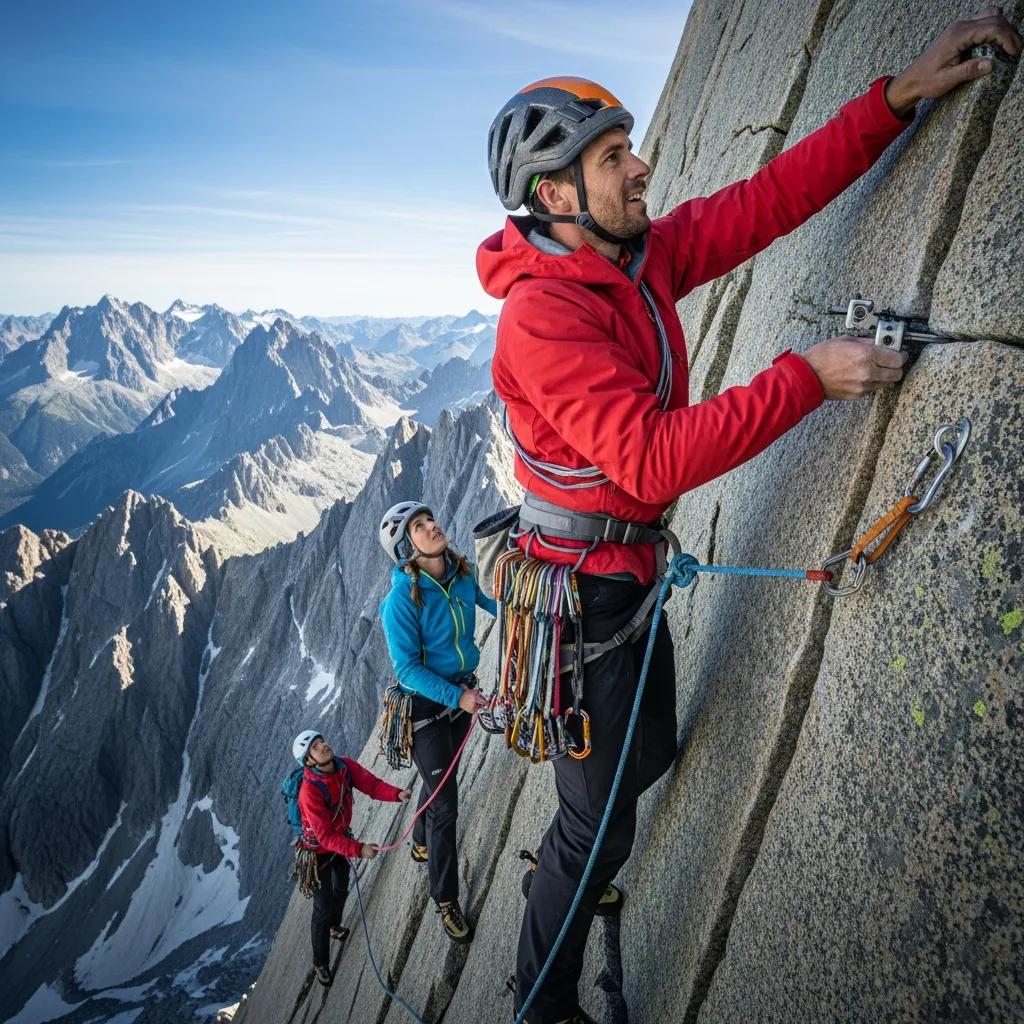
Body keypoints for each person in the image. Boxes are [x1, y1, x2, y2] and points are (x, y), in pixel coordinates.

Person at [477, 9, 1022, 1023]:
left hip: (622, 577)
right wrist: (806, 375)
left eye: (628, 146)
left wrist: (896, 96)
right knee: (590, 829)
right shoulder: (544, 315)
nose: (640, 167)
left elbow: (762, 203)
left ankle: (576, 881)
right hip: (586, 603)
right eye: (611, 159)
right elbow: (644, 460)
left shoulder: (626, 264)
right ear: (555, 196)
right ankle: (538, 1002)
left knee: (643, 759)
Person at [378, 500, 497, 942]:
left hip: (460, 696)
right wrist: (460, 697)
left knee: (439, 780)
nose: (433, 527)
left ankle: (419, 840)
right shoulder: (400, 603)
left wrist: (528, 621)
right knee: (446, 804)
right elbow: (406, 670)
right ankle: (445, 901)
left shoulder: (460, 573)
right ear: (407, 550)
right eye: (420, 528)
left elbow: (487, 601)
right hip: (427, 711)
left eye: (430, 521)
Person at [292, 729, 411, 987]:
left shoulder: (344, 766)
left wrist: (396, 794)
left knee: (342, 888)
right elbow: (324, 837)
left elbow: (371, 784)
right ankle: (320, 962)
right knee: (322, 907)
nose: (324, 746)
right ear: (309, 760)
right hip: (318, 854)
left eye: (322, 741)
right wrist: (359, 849)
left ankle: (335, 927)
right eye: (316, 747)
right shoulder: (309, 792)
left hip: (339, 842)